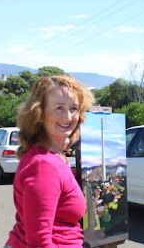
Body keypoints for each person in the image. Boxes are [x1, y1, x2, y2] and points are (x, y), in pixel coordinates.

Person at [5, 76, 94, 248]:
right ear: (39, 112)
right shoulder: (44, 165)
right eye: (59, 108)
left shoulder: (56, 155)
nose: (68, 117)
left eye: (73, 108)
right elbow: (39, 242)